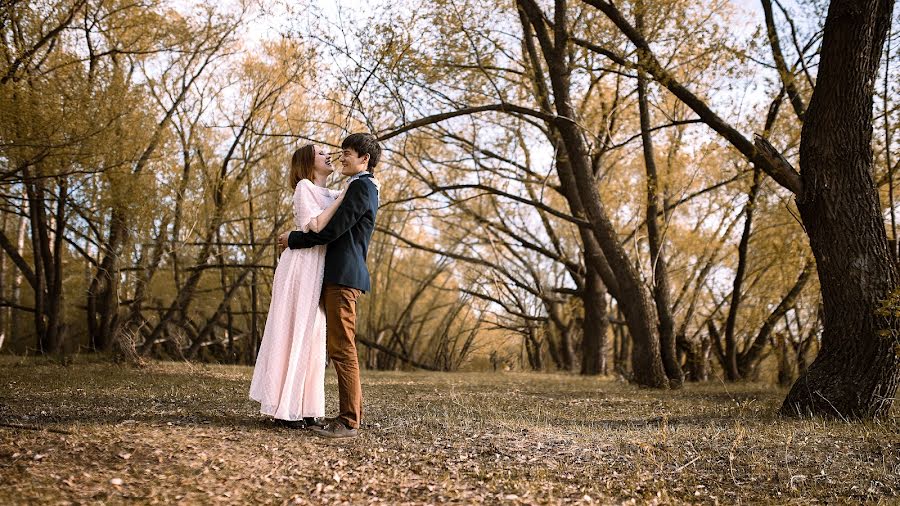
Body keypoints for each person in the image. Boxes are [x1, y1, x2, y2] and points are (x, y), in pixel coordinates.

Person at [277, 132, 381, 439]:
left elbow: (332, 231)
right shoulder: (353, 186)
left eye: (348, 153)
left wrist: (294, 239)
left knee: (342, 348)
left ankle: (349, 420)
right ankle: (323, 411)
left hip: (343, 276)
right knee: (333, 346)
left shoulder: (362, 187)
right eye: (341, 151)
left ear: (365, 159)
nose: (341, 156)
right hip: (333, 275)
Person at [249, 144, 346, 428]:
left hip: (319, 268)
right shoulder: (305, 187)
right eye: (321, 153)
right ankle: (284, 407)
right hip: (300, 266)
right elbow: (314, 226)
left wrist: (343, 197)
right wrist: (342, 200)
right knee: (294, 330)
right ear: (308, 162)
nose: (329, 154)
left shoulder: (335, 193)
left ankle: (307, 407)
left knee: (314, 335)